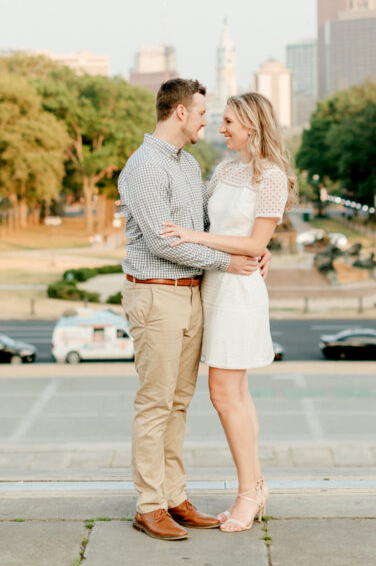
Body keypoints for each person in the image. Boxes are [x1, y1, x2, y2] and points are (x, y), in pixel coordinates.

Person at [118, 78, 271, 542]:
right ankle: (149, 505)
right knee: (155, 402)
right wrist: (230, 261)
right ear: (180, 113)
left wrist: (257, 249)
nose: (209, 121)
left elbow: (208, 227)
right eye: (204, 112)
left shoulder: (186, 166)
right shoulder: (144, 166)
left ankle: (174, 496)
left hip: (190, 294)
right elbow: (166, 242)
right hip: (156, 291)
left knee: (178, 402)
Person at [160, 92, 296, 533]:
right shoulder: (223, 171)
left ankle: (248, 492)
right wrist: (194, 234)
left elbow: (255, 243)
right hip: (214, 283)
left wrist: (194, 239)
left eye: (229, 122)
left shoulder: (271, 177)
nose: (221, 129)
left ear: (252, 126)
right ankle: (255, 485)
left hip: (239, 291)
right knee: (235, 395)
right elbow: (210, 223)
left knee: (223, 394)